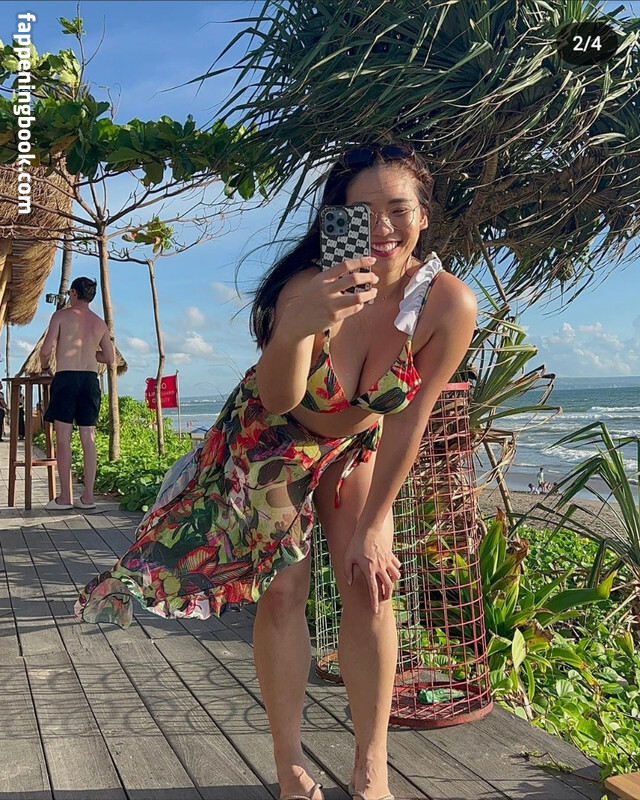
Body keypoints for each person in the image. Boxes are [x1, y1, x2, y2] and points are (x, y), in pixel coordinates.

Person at [74, 143, 477, 800]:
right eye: (362, 211)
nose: (382, 227)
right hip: (271, 431)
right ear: (337, 218)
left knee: (370, 583)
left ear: (424, 216)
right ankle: (289, 764)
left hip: (354, 444)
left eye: (398, 209)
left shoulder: (448, 305)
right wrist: (298, 327)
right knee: (284, 590)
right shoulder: (309, 288)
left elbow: (410, 419)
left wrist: (376, 524)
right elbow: (283, 398)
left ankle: (372, 764)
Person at [40, 277, 115, 510]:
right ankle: (88, 498)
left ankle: (65, 498)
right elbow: (109, 358)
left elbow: (45, 350)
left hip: (66, 378)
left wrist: (45, 367)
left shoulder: (60, 316)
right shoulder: (99, 323)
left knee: (63, 439)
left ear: (73, 293)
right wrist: (91, 353)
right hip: (90, 381)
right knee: (88, 439)